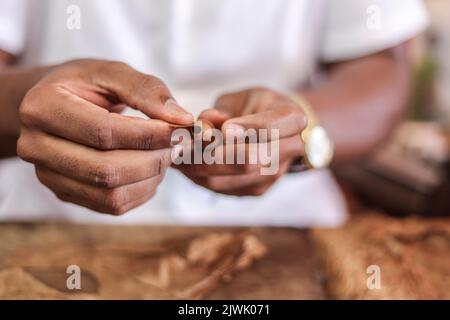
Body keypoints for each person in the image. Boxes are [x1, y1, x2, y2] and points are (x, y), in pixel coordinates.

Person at [0, 0, 428, 226]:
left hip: (285, 230)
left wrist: (302, 125)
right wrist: (27, 103)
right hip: (49, 225)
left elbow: (382, 63)